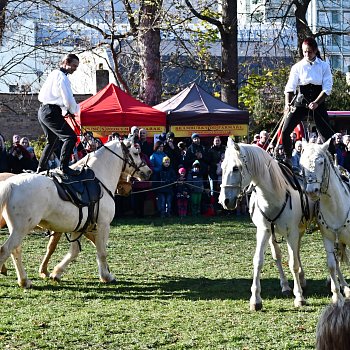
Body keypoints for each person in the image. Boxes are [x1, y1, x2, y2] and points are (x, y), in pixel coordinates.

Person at [282, 37, 334, 168]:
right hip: (301, 101)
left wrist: (317, 102)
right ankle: (288, 157)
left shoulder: (324, 66)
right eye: (304, 52)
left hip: (319, 101)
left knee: (326, 134)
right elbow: (290, 87)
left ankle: (332, 161)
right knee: (285, 131)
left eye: (309, 52)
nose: (307, 54)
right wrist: (287, 103)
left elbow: (327, 87)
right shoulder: (297, 67)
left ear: (315, 51)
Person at [36, 53, 81, 176]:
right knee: (70, 137)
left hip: (43, 111)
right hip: (51, 111)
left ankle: (40, 168)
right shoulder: (62, 77)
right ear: (66, 62)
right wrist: (74, 110)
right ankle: (64, 167)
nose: (75, 69)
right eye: (74, 65)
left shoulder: (53, 74)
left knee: (52, 141)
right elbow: (68, 99)